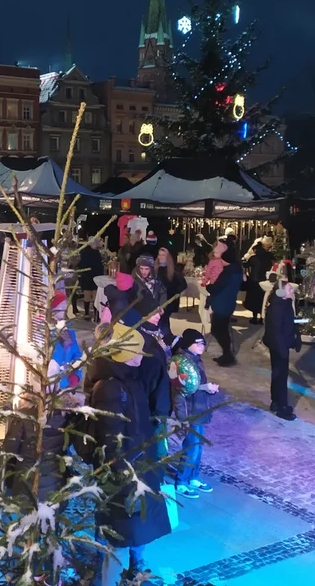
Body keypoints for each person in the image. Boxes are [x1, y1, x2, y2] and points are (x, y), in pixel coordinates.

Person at [87, 321, 171, 585]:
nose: (140, 355)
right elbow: (110, 438)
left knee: (137, 527)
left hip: (140, 466)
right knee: (119, 530)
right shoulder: (111, 388)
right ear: (123, 354)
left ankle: (133, 571)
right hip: (125, 474)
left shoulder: (128, 378)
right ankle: (105, 575)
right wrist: (123, 473)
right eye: (136, 351)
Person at [169, 329, 220, 499]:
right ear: (189, 344)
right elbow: (179, 391)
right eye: (198, 343)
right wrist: (182, 417)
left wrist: (207, 388)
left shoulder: (196, 360)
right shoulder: (179, 362)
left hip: (199, 408)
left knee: (198, 447)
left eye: (203, 343)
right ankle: (181, 481)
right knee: (191, 447)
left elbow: (195, 384)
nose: (202, 346)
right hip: (190, 411)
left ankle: (193, 477)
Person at [263, 281, 302, 421]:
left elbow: (289, 322)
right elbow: (276, 331)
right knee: (280, 376)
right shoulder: (277, 307)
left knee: (278, 374)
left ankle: (276, 402)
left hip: (281, 345)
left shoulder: (284, 303)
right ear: (280, 292)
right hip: (279, 346)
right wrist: (282, 350)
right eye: (289, 289)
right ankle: (282, 407)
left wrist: (296, 336)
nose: (292, 292)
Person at [205, 243, 243, 367]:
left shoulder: (228, 272)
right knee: (222, 329)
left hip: (222, 304)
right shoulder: (236, 270)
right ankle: (227, 354)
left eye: (222, 259)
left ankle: (227, 355)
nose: (220, 261)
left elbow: (216, 287)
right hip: (228, 303)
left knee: (217, 330)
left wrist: (209, 286)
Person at [244, 237, 274, 324]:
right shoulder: (268, 256)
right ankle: (262, 317)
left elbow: (246, 265)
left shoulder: (253, 258)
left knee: (253, 300)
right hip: (264, 280)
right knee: (262, 300)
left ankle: (254, 318)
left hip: (254, 281)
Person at [78, 237, 106, 320]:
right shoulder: (86, 252)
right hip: (88, 276)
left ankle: (95, 315)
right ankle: (87, 313)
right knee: (88, 295)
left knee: (95, 296)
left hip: (95, 276)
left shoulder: (94, 251)